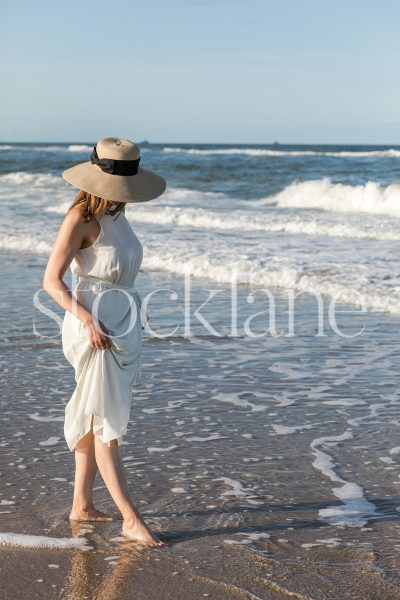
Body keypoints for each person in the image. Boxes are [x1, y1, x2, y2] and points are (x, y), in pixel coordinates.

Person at [43, 137, 169, 548]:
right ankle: (131, 519)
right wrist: (89, 320)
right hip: (94, 327)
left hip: (121, 323)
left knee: (94, 413)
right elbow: (51, 282)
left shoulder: (118, 212)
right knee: (105, 424)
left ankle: (81, 504)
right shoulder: (80, 216)